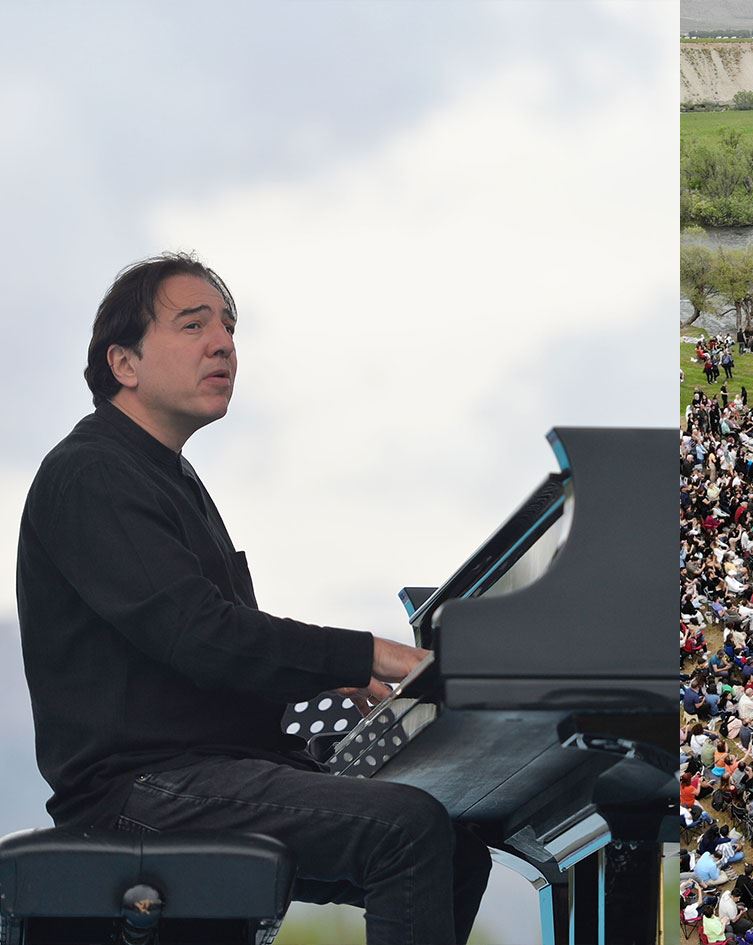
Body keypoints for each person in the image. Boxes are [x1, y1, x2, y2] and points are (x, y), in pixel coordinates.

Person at [15, 254, 491, 945]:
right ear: (124, 362)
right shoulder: (90, 472)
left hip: (198, 774)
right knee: (405, 826)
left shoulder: (170, 477)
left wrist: (323, 702)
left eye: (230, 328)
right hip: (137, 792)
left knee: (451, 844)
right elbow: (199, 633)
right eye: (192, 324)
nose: (224, 344)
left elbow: (201, 662)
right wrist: (355, 652)